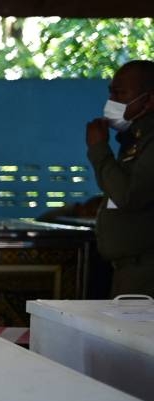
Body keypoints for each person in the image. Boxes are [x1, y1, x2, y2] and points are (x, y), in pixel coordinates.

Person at [85, 59, 154, 296]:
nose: (112, 102)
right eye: (111, 93)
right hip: (129, 269)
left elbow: (128, 196)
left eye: (121, 93)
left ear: (149, 98)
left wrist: (99, 150)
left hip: (145, 270)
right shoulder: (134, 139)